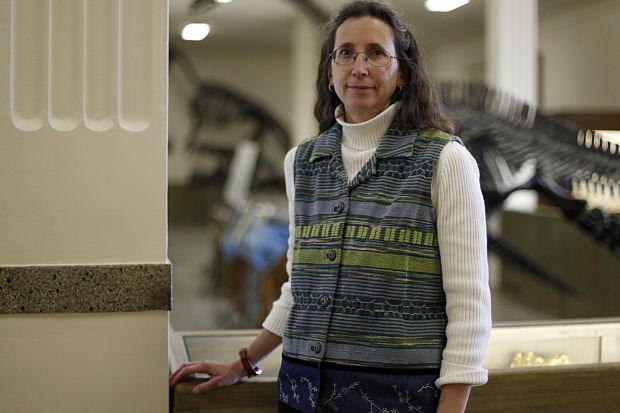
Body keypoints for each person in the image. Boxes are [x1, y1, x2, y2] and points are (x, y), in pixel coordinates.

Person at [170, 1, 491, 412]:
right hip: (301, 394)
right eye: (346, 53)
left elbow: (469, 305)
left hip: (398, 399)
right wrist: (244, 362)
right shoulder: (301, 162)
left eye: (376, 53)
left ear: (403, 73)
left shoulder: (445, 161)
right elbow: (300, 290)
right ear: (330, 71)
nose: (359, 67)